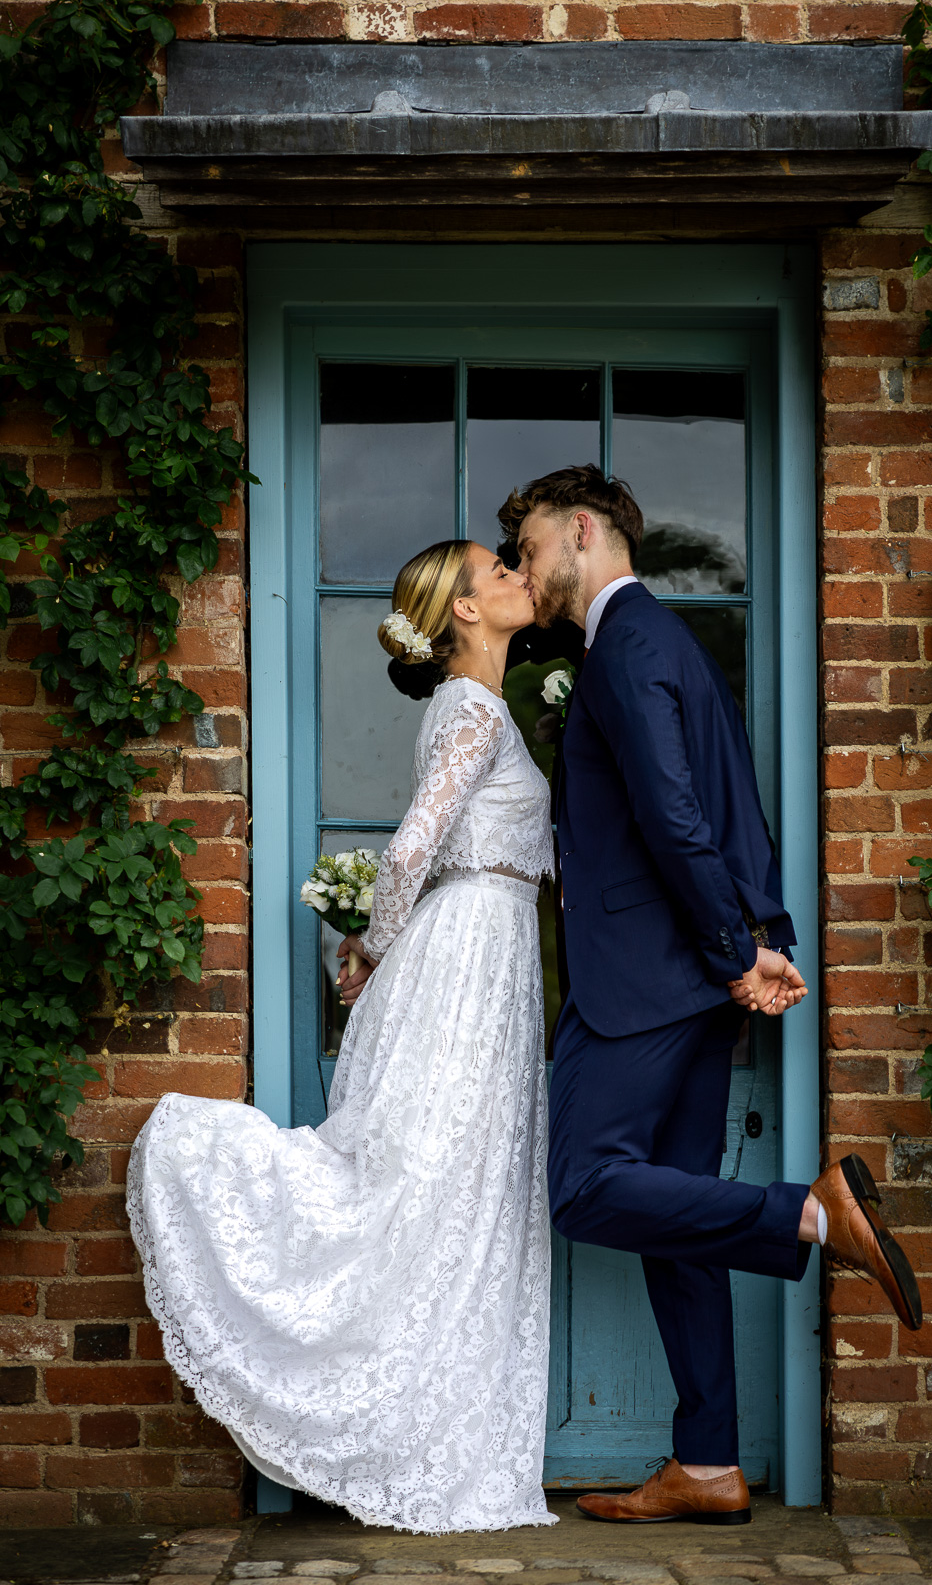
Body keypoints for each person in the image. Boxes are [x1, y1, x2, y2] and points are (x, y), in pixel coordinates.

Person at [499, 465, 922, 1526]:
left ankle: (811, 1215)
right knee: (672, 1215)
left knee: (584, 1185)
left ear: (583, 528)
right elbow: (733, 807)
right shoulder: (670, 643)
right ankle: (707, 1461)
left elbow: (675, 816)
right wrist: (757, 940)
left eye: (531, 545)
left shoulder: (622, 648)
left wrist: (737, 947)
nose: (524, 568)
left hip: (643, 981)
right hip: (692, 980)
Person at [127, 540, 559, 1535]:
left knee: (455, 1191)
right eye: (495, 569)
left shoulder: (479, 706)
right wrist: (372, 946)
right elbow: (412, 845)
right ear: (461, 611)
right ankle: (205, 1166)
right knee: (425, 1182)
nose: (511, 576)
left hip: (487, 953)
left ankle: (435, 1429)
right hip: (464, 957)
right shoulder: (473, 706)